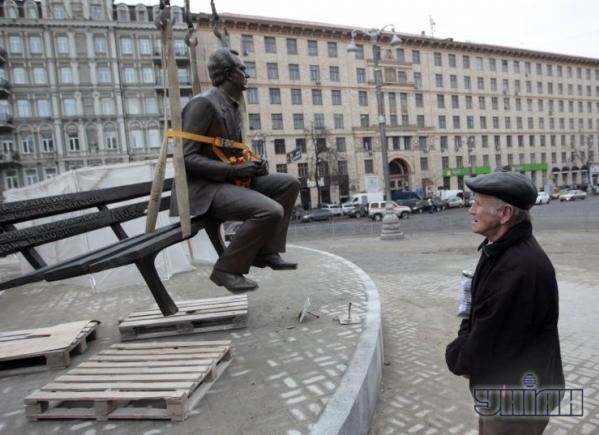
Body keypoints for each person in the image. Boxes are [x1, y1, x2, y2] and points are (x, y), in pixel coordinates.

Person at [171, 48, 300, 293]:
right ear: (230, 75)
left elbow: (228, 152)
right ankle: (226, 269)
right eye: (242, 70)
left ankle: (266, 252)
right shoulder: (203, 104)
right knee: (269, 210)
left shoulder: (229, 106)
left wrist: (251, 165)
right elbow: (185, 158)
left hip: (225, 182)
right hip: (201, 190)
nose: (246, 74)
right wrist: (237, 169)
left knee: (289, 184)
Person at [445, 171, 564, 435]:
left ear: (505, 214)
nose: (470, 209)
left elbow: (487, 343)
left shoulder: (519, 268)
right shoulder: (499, 248)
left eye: (478, 203)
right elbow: (477, 309)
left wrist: (457, 356)